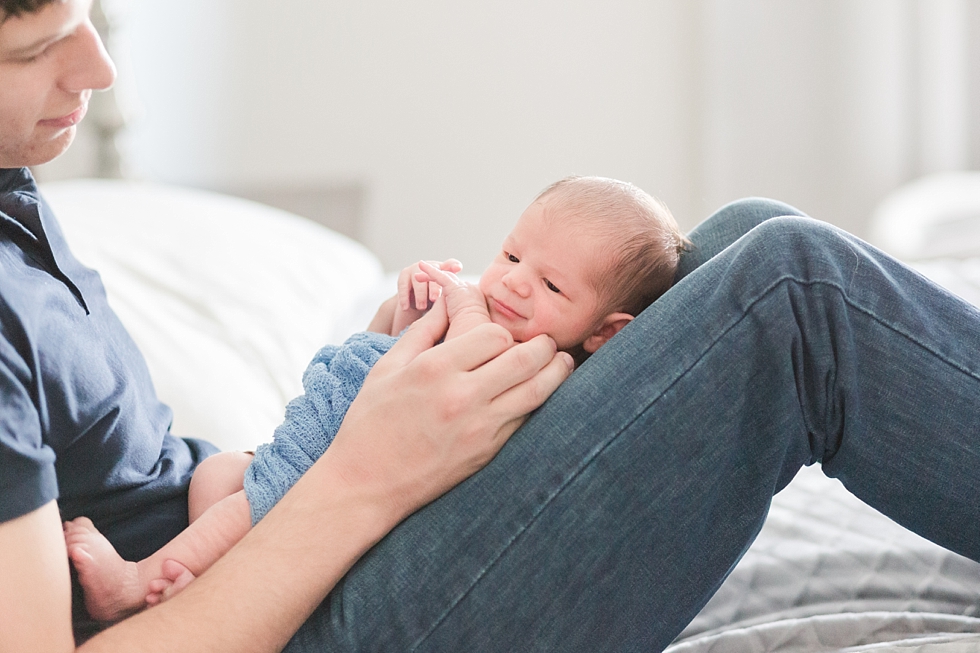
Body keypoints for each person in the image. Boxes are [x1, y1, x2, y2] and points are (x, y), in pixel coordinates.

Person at [2, 1, 978, 652]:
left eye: (89, 14)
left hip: (286, 543)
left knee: (738, 239)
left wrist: (355, 400)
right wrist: (364, 470)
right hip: (293, 621)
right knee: (787, 291)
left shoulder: (15, 186)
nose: (99, 65)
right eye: (38, 46)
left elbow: (146, 470)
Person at [62, 175, 689, 622]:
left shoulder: (542, 367)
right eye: (512, 254)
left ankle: (137, 586)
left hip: (337, 479)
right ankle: (214, 580)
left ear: (606, 333)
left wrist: (467, 318)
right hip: (317, 437)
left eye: (551, 284)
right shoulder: (487, 306)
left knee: (246, 510)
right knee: (220, 475)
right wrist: (407, 307)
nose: (515, 282)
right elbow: (386, 345)